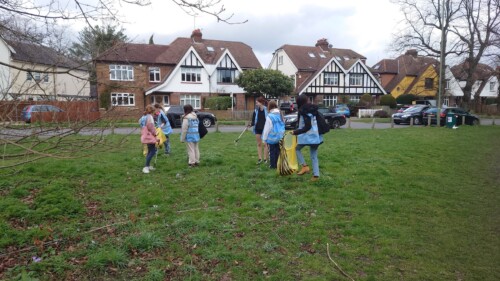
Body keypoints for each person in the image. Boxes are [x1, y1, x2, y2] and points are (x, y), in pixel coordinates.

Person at [291, 94, 323, 181]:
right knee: (314, 155)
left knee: (297, 149)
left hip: (307, 137)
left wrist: (295, 132)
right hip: (315, 136)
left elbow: (307, 126)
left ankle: (304, 166)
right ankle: (316, 175)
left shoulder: (303, 112)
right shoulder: (313, 110)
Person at [262, 100, 285, 169]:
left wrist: (264, 139)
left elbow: (267, 128)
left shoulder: (270, 116)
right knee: (278, 150)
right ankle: (278, 164)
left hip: (272, 137)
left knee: (272, 151)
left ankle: (273, 165)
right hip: (280, 136)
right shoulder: (280, 114)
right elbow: (283, 123)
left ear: (269, 107)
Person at [248, 96, 268, 164]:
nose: (256, 103)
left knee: (265, 144)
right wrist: (251, 124)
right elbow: (253, 121)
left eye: (257, 102)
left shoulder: (267, 110)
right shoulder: (255, 111)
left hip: (265, 129)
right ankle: (260, 159)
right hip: (257, 129)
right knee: (259, 144)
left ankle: (265, 159)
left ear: (261, 102)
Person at [140, 105, 158, 174]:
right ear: (152, 111)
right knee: (153, 151)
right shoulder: (150, 117)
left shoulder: (144, 116)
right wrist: (155, 135)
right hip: (150, 135)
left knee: (150, 150)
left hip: (145, 135)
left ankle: (148, 165)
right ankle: (146, 167)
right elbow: (151, 128)